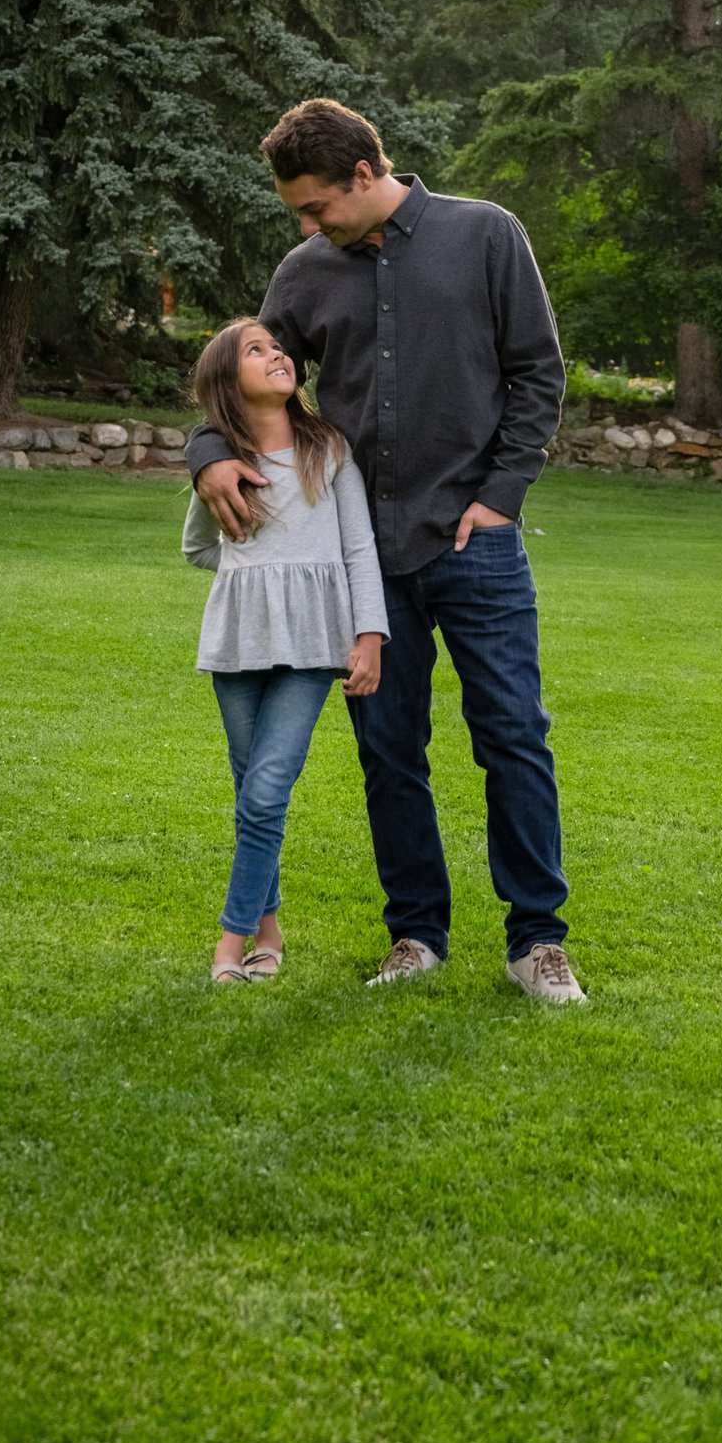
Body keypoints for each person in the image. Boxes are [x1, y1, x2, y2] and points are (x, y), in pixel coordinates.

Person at [187, 99, 585, 1004]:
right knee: (389, 750)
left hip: (475, 542)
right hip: (361, 560)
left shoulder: (486, 235)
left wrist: (499, 499)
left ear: (363, 176)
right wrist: (208, 452)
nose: (307, 224)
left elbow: (538, 374)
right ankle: (416, 935)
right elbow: (240, 375)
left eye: (314, 206)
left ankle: (537, 943)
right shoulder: (304, 273)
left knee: (514, 737)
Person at [182, 315, 387, 985]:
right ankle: (270, 932)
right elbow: (199, 548)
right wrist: (254, 579)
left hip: (312, 646)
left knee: (266, 791)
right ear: (226, 380)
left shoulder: (327, 450)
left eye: (278, 347)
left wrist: (368, 636)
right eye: (255, 350)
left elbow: (359, 550)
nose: (276, 354)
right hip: (238, 641)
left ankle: (228, 944)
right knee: (252, 792)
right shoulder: (220, 468)